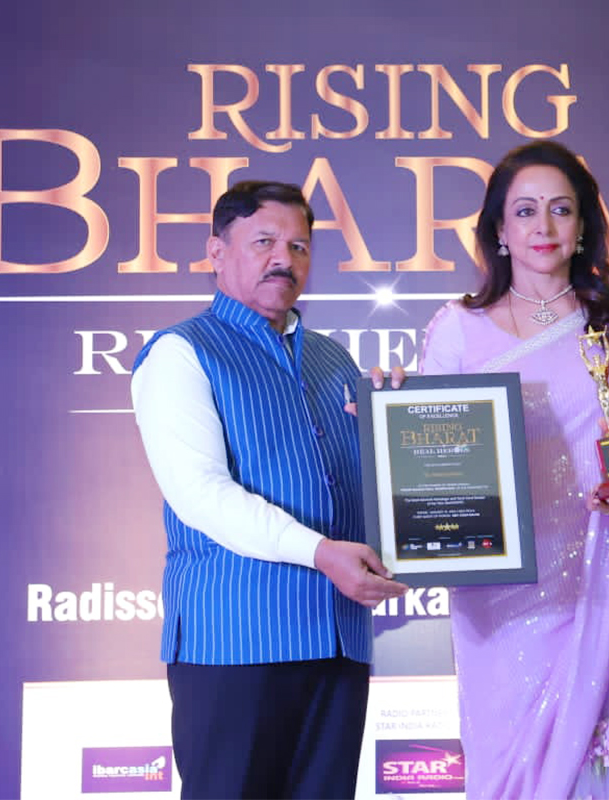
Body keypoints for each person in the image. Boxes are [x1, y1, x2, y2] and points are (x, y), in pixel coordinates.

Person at [130, 180, 409, 799]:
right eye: (264, 242)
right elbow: (201, 495)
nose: (284, 258)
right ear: (216, 251)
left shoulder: (334, 362)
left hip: (336, 639)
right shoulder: (181, 352)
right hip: (234, 640)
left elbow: (368, 491)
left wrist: (401, 432)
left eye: (299, 246)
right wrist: (321, 553)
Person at [416, 140, 609, 799]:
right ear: (499, 231)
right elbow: (432, 465)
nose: (544, 226)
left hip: (608, 569)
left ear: (584, 224)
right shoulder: (458, 329)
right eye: (525, 211)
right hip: (503, 590)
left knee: (604, 763)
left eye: (561, 209)